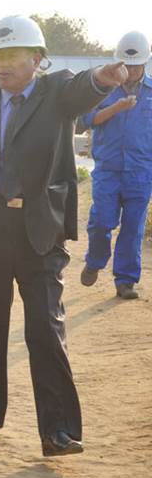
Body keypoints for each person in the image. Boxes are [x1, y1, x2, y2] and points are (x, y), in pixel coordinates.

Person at [0, 14, 127, 456]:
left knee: (45, 327)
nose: (3, 65)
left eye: (13, 56)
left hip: (39, 230)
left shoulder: (55, 94)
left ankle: (58, 431)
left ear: (38, 60)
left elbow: (86, 85)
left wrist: (105, 75)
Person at [80, 31, 152, 299]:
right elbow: (87, 120)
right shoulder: (103, 89)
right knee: (102, 221)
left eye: (136, 65)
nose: (131, 70)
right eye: (126, 64)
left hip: (141, 173)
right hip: (109, 170)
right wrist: (116, 108)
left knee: (133, 227)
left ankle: (125, 280)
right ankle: (95, 260)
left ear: (145, 62)